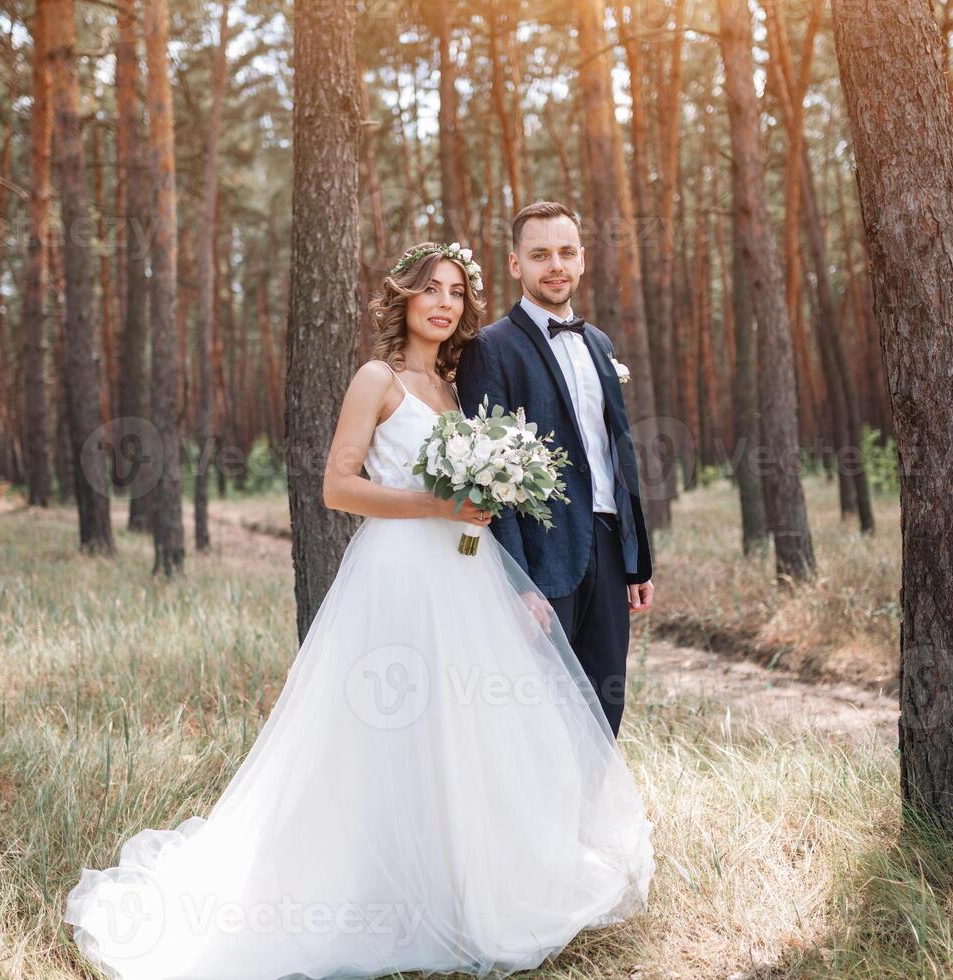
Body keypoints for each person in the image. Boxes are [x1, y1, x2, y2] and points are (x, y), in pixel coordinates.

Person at [64, 241, 654, 979]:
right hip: (396, 573)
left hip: (467, 577)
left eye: (456, 293)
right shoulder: (377, 379)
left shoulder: (455, 388)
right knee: (390, 731)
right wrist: (435, 503)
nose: (445, 303)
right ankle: (373, 887)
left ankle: (466, 882)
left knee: (466, 729)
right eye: (429, 290)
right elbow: (337, 487)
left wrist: (486, 509)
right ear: (403, 299)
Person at [455, 202, 657, 737]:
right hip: (543, 553)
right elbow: (486, 473)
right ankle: (543, 822)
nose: (556, 265)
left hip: (610, 546)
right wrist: (516, 582)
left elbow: (618, 453)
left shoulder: (599, 343)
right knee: (542, 703)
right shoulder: (490, 350)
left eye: (566, 252)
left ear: (583, 259)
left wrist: (637, 561)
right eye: (540, 254)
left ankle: (589, 820)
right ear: (517, 264)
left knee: (606, 697)